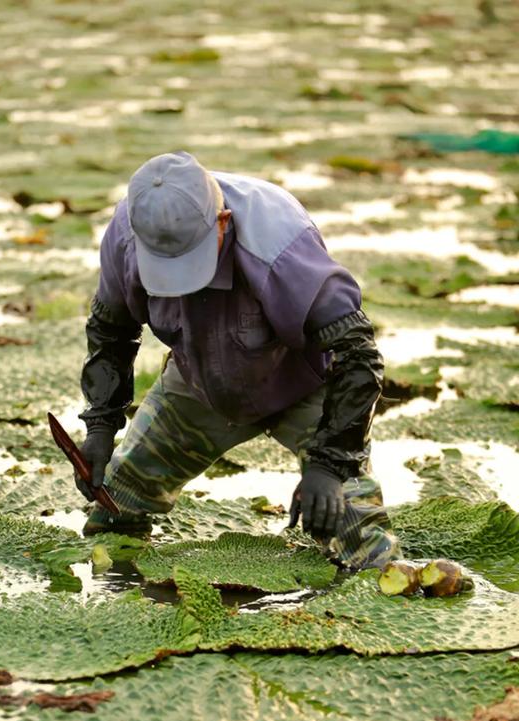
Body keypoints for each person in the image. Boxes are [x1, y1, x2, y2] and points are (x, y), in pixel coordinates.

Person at [75, 150, 401, 569]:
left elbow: (359, 356)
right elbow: (111, 333)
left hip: (301, 386)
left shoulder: (279, 246)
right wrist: (101, 425)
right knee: (113, 508)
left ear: (222, 223)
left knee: (364, 547)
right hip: (199, 385)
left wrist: (329, 463)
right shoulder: (127, 235)